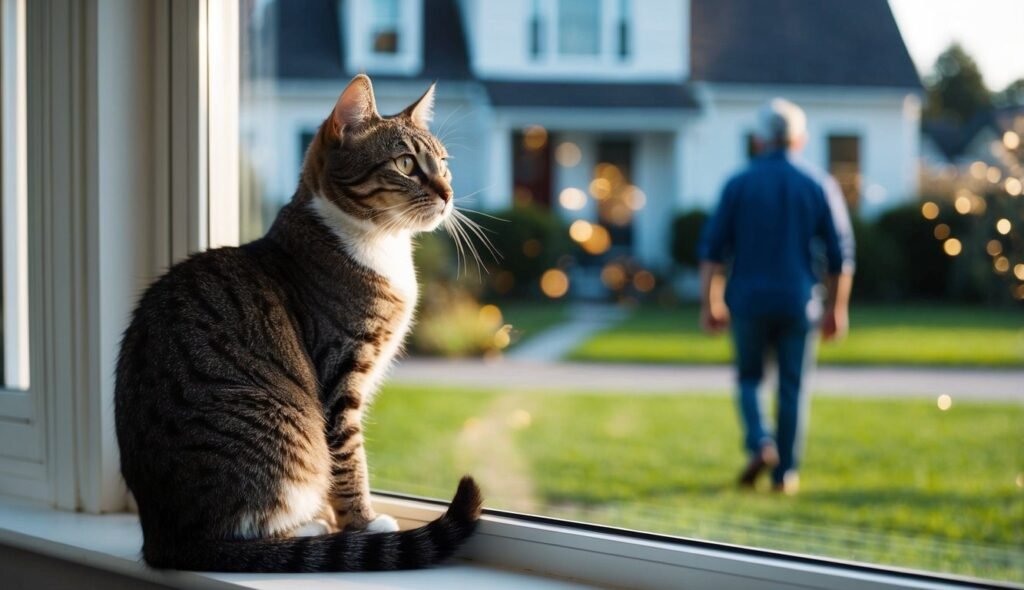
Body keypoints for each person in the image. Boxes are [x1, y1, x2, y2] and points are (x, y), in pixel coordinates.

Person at [698, 98, 855, 494]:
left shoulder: (738, 183)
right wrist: (837, 308)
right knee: (792, 387)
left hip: (748, 300)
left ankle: (760, 442)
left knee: (749, 378)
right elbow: (841, 254)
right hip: (798, 302)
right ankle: (785, 475)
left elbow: (713, 251)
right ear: (799, 139)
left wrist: (710, 302)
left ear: (758, 140)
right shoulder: (818, 183)